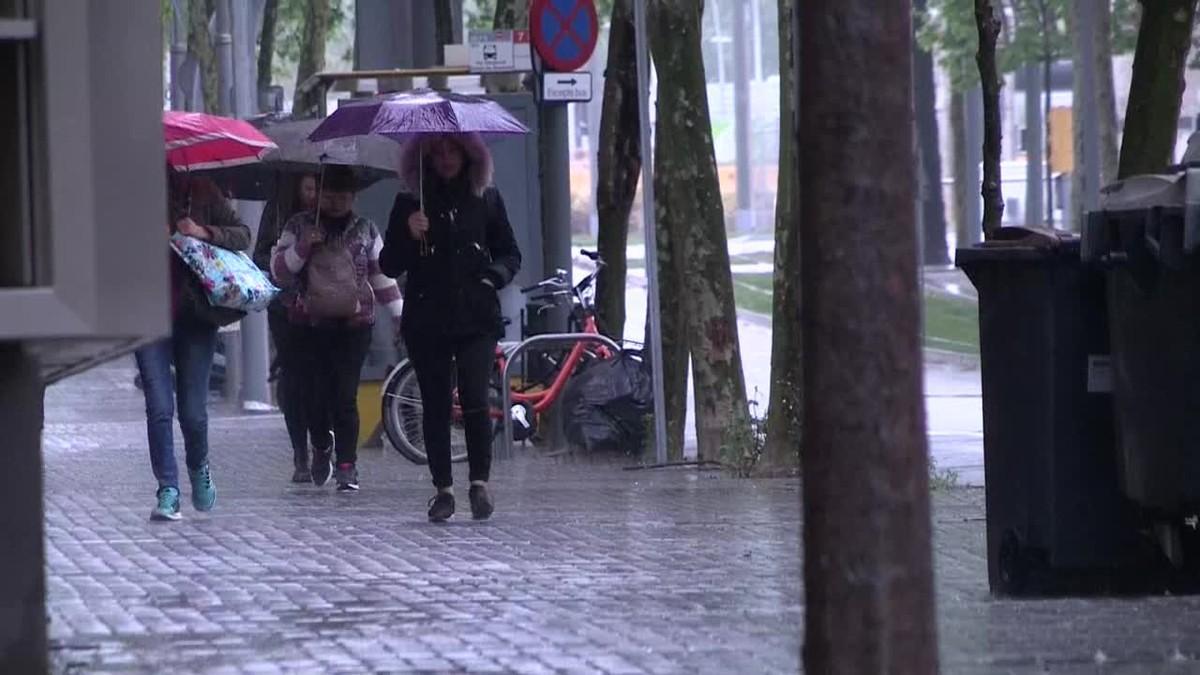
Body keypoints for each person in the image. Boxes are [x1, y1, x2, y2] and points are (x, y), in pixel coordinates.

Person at [380, 133, 521, 522]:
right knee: (436, 403)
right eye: (437, 151)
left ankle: (480, 483)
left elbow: (510, 251)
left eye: (452, 150)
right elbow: (390, 264)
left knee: (476, 398)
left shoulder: (485, 198)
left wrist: (492, 277)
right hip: (428, 317)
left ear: (468, 153)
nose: (445, 159)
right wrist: (409, 233)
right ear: (423, 157)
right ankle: (443, 489)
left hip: (476, 315)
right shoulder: (410, 201)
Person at [271, 165, 403, 492]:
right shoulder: (298, 225)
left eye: (342, 196)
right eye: (328, 195)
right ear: (317, 193)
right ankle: (321, 445)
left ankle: (347, 465)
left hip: (354, 325)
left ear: (353, 197)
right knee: (313, 395)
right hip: (307, 324)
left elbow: (380, 274)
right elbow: (279, 273)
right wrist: (302, 247)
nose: (335, 202)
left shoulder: (365, 230)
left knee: (344, 395)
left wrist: (400, 314)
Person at [138, 168, 251, 522]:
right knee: (158, 406)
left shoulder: (201, 192)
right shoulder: (130, 196)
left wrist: (201, 232)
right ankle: (167, 489)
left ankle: (198, 466)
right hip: (146, 316)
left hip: (195, 317)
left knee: (192, 411)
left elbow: (242, 234)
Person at [252, 173, 329, 483]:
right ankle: (301, 451)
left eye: (317, 188)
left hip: (327, 308)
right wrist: (284, 263)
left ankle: (324, 442)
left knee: (323, 380)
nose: (313, 194)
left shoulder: (332, 214)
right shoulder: (278, 212)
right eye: (308, 187)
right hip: (286, 309)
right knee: (294, 381)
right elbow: (260, 257)